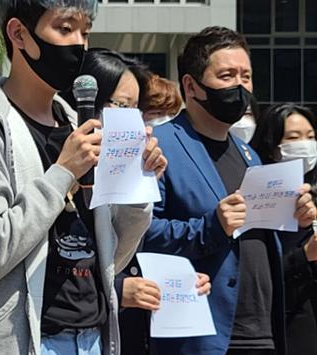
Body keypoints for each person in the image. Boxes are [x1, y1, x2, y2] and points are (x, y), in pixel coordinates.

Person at [0, 0, 166, 355]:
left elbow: (112, 258)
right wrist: (63, 173)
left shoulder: (76, 122)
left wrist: (138, 186)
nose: (78, 44)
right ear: (18, 33)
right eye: (64, 28)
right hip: (19, 339)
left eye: (85, 32)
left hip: (91, 336)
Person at [141, 26, 316, 355]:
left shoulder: (249, 154)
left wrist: (298, 223)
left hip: (264, 333)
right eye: (227, 75)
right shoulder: (160, 146)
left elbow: (265, 240)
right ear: (191, 86)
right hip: (204, 334)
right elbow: (139, 234)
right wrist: (211, 226)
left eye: (246, 76)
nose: (240, 86)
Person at [75, 49, 210, 355]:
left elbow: (133, 245)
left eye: (137, 109)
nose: (132, 120)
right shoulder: (63, 165)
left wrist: (180, 278)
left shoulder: (135, 165)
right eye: (122, 106)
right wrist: (119, 287)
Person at [250, 103, 317, 355]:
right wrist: (304, 255)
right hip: (285, 327)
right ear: (272, 145)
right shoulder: (258, 198)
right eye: (293, 137)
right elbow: (259, 271)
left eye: (311, 137)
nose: (306, 145)